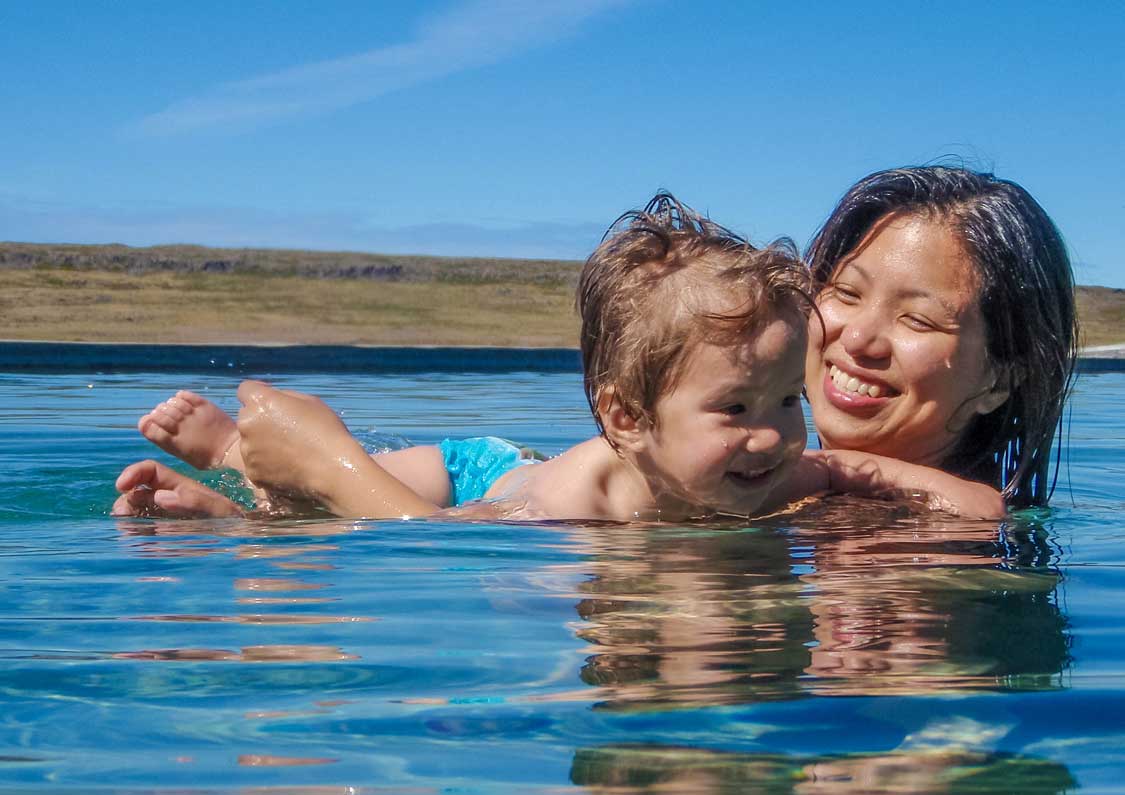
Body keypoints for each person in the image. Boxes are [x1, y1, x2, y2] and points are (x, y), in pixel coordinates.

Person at [114, 193, 1003, 522]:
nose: (773, 436)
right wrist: (331, 465)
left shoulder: (780, 467)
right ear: (624, 416)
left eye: (783, 404)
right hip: (486, 482)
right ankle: (243, 458)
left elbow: (965, 504)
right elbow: (413, 535)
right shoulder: (576, 502)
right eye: (737, 409)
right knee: (311, 498)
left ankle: (231, 502)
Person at [802, 165, 1078, 507]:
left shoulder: (966, 529)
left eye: (918, 320)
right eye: (846, 292)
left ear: (998, 383)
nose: (857, 338)